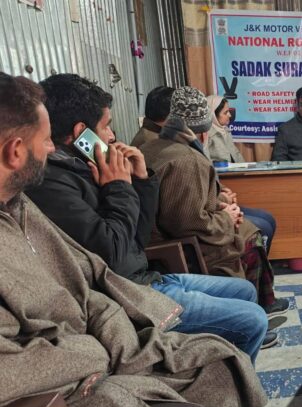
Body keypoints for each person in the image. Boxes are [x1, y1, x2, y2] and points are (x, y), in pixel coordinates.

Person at [0, 72, 267, 407]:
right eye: (44, 140)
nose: (50, 148)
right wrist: (99, 351)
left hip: (103, 343)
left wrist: (135, 184)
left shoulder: (20, 206)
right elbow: (14, 367)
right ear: (15, 151)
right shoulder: (50, 188)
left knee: (218, 363)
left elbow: (93, 277)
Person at [26, 74, 277, 361]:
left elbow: (138, 237)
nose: (112, 136)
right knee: (253, 319)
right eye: (106, 126)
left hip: (146, 277)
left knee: (244, 290)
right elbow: (112, 250)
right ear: (81, 132)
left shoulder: (87, 166)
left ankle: (232, 368)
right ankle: (232, 377)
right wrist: (118, 186)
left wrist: (141, 180)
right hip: (128, 294)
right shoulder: (53, 184)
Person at [140, 86, 289, 317]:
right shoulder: (188, 160)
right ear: (203, 130)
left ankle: (259, 306)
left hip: (160, 236)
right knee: (251, 236)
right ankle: (251, 313)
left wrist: (219, 204)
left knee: (251, 226)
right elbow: (188, 223)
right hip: (182, 245)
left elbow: (184, 199)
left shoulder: (151, 147)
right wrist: (226, 218)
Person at [206, 94, 277, 252]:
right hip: (222, 191)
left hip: (231, 188)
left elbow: (237, 158)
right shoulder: (206, 136)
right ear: (213, 114)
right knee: (263, 225)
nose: (230, 116)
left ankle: (261, 262)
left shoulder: (225, 132)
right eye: (225, 112)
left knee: (268, 218)